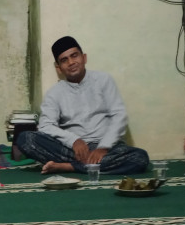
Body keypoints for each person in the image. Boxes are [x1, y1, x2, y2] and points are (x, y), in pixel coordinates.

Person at [17, 36, 149, 175]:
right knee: (25, 139)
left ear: (84, 58)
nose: (71, 62)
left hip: (108, 149)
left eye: (74, 56)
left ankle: (69, 167)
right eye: (64, 60)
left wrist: (103, 147)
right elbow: (46, 125)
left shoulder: (104, 80)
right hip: (73, 151)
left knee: (140, 158)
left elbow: (119, 116)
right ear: (59, 68)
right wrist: (74, 141)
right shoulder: (54, 93)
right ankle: (91, 165)